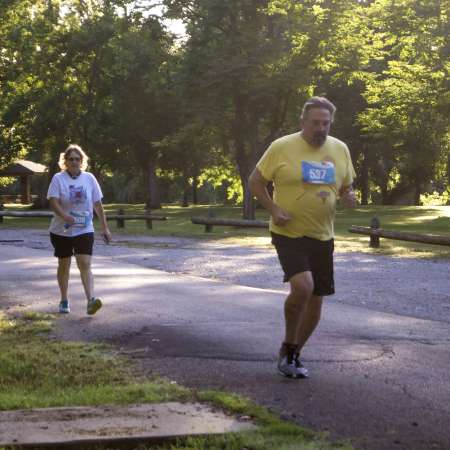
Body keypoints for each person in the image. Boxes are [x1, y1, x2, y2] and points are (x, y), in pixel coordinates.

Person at [249, 97, 356, 378]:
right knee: (303, 287)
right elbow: (256, 181)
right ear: (302, 122)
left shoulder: (340, 149)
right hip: (289, 231)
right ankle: (288, 342)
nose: (321, 128)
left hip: (323, 234)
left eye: (326, 123)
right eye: (315, 123)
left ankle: (293, 352)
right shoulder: (282, 147)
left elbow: (346, 186)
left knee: (317, 299)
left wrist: (350, 196)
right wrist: (273, 208)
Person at [47, 144, 112, 315]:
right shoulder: (58, 178)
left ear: (82, 161)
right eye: (71, 159)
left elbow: (98, 204)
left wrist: (104, 227)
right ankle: (64, 299)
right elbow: (53, 201)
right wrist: (64, 216)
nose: (74, 161)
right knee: (64, 264)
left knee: (85, 263)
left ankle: (91, 300)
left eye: (77, 159)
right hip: (61, 230)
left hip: (84, 229)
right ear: (65, 161)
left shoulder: (89, 178)